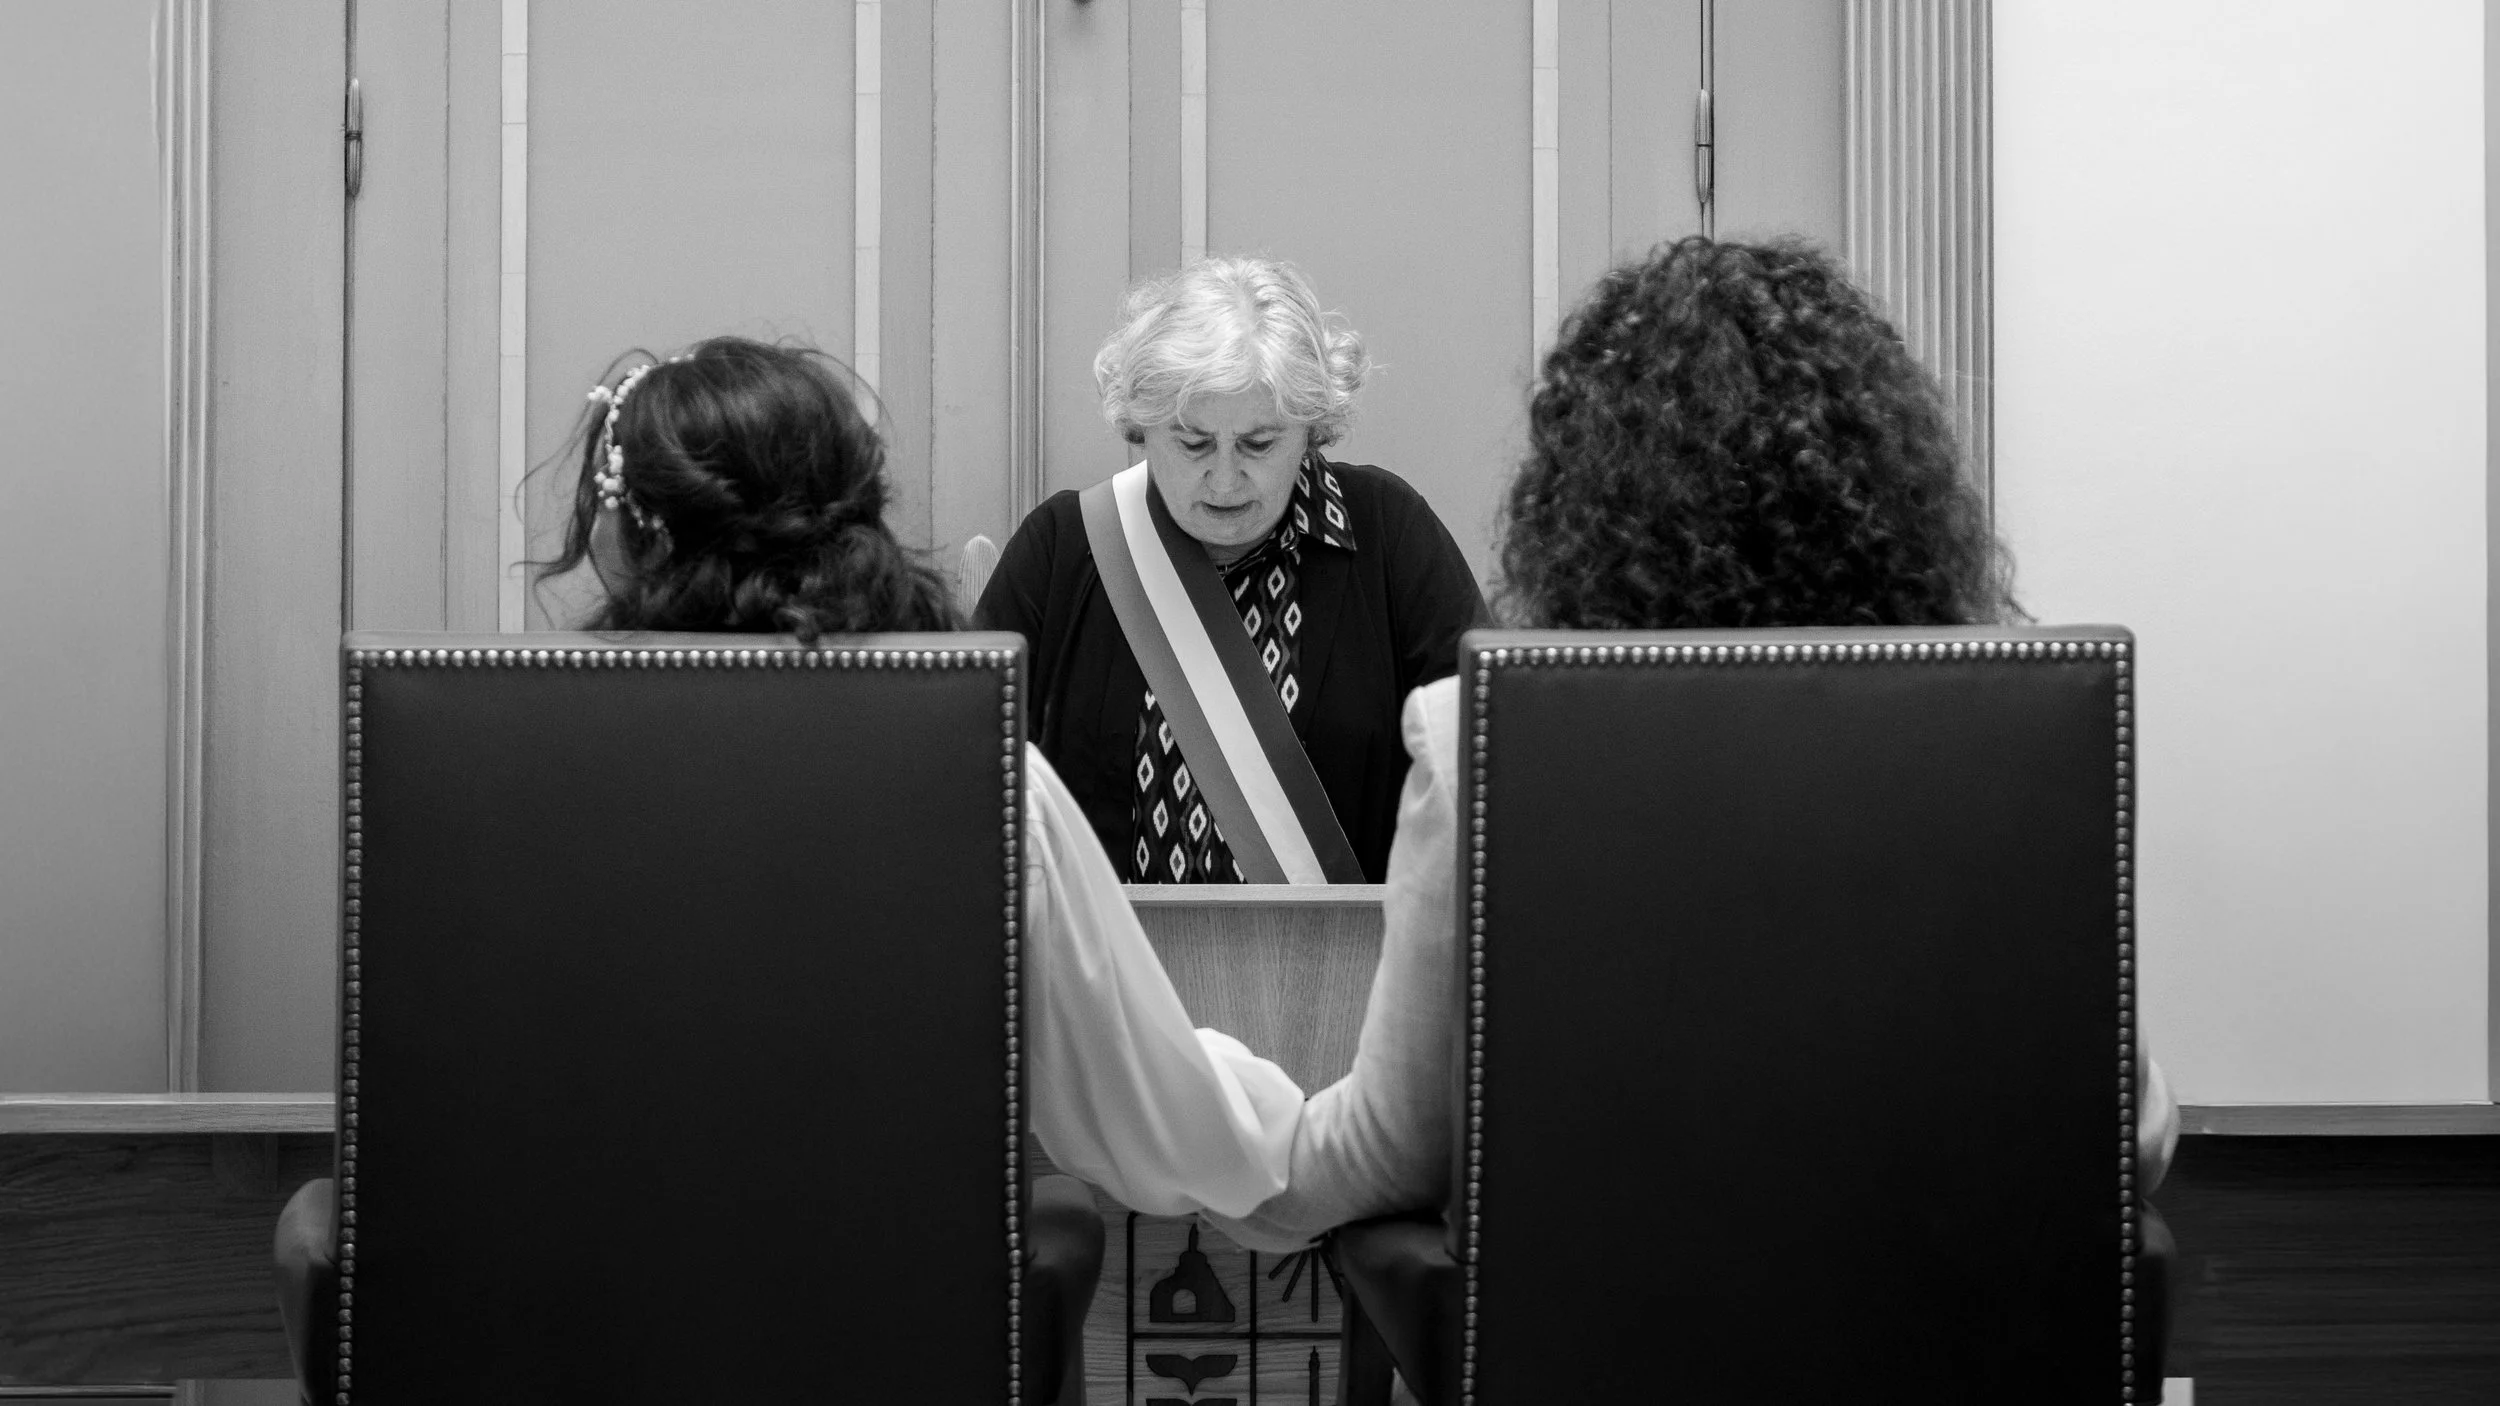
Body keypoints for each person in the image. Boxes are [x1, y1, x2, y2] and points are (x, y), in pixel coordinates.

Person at [272, 337, 1304, 1402]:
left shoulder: (449, 777)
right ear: (858, 516)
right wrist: (1326, 1130)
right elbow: (1151, 1119)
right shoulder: (992, 782)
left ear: (625, 537)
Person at [1191, 236, 2182, 1252]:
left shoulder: (1483, 739)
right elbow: (2134, 1133)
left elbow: (1397, 1148)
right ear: (1896, 479)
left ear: (1585, 500)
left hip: (1609, 1325)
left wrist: (1222, 1143)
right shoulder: (2024, 719)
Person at [976, 258, 1486, 886]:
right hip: (1113, 976)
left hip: (1338, 972)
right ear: (1141, 426)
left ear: (1311, 429)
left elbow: (1482, 763)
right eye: (1192, 444)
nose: (1223, 479)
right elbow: (967, 771)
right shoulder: (1065, 547)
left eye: (1259, 443)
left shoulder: (1387, 533)